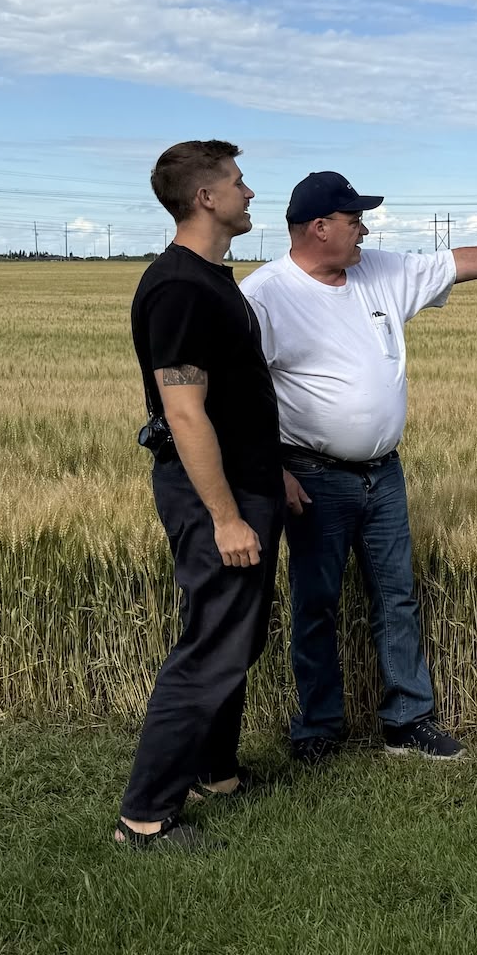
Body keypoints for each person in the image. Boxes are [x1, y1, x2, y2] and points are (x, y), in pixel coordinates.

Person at [241, 170, 477, 762]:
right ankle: (318, 730)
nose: (365, 229)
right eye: (355, 221)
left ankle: (408, 721)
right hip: (312, 476)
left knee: (396, 597)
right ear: (319, 227)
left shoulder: (378, 270)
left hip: (384, 474)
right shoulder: (264, 295)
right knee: (315, 603)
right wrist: (272, 470)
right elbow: (240, 394)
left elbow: (458, 261)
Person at [116, 140, 284, 849]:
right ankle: (145, 816)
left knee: (233, 634)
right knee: (212, 642)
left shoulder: (213, 278)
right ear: (207, 198)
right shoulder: (181, 287)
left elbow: (238, 399)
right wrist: (224, 516)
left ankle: (215, 770)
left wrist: (275, 474)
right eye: (239, 183)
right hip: (214, 495)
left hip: (247, 481)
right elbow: (183, 411)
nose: (249, 193)